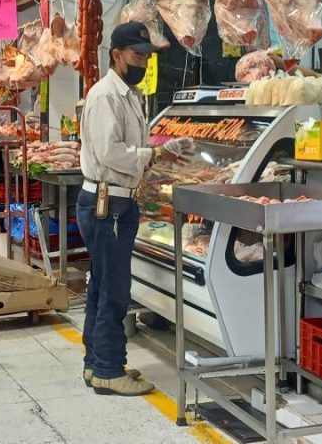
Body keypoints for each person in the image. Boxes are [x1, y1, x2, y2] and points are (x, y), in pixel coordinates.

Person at [78, 22, 194, 396]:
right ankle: (109, 369)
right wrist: (155, 153)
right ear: (117, 55)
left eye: (146, 56)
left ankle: (97, 364)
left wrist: (159, 154)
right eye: (137, 55)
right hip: (105, 203)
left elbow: (129, 151)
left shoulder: (129, 95)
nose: (143, 62)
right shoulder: (104, 97)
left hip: (118, 201)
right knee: (113, 288)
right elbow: (110, 152)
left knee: (102, 285)